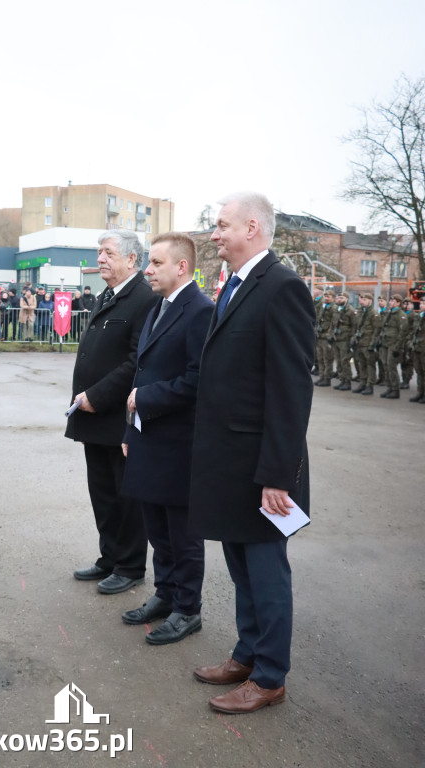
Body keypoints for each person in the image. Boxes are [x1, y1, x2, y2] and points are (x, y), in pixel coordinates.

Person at [188, 192, 315, 715]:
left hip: (263, 467)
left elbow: (290, 391)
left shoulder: (282, 287)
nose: (214, 234)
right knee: (241, 566)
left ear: (253, 227)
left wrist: (277, 476)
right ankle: (247, 653)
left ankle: (269, 677)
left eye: (221, 225)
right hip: (230, 461)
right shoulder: (236, 285)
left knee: (265, 571)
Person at [120, 233, 214, 645]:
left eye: (156, 263)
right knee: (157, 527)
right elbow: (143, 372)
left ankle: (187, 609)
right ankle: (166, 593)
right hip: (148, 436)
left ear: (182, 267)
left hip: (180, 443)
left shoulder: (200, 311)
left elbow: (199, 380)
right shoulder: (160, 306)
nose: (148, 270)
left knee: (182, 534)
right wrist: (130, 427)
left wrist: (146, 400)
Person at [65, 230, 157, 595]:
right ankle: (110, 557)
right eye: (99, 252)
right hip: (92, 414)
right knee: (102, 492)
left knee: (125, 494)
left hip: (117, 415)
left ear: (132, 259)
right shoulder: (107, 293)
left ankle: (130, 565)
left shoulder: (143, 299)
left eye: (108, 252)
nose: (100, 258)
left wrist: (97, 396)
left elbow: (138, 361)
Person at [379, 294, 406, 399]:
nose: (390, 303)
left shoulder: (401, 315)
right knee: (385, 366)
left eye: (393, 301)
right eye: (390, 301)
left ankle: (395, 390)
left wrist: (398, 347)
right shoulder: (389, 313)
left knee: (391, 367)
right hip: (385, 342)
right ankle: (389, 388)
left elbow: (403, 332)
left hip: (393, 344)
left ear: (398, 303)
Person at [351, 292, 377, 395]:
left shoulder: (373, 314)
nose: (362, 301)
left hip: (368, 343)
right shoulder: (360, 312)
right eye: (362, 299)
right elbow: (356, 326)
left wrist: (372, 344)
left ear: (370, 301)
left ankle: (369, 385)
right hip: (359, 342)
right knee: (361, 364)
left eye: (365, 300)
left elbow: (376, 330)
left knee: (370, 365)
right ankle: (362, 383)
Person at [331, 291, 356, 391]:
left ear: (346, 299)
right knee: (338, 361)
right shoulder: (337, 309)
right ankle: (342, 380)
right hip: (336, 338)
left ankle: (347, 381)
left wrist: (352, 340)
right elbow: (333, 323)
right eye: (338, 298)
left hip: (345, 339)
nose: (339, 299)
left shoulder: (350, 311)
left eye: (341, 298)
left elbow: (354, 326)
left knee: (344, 361)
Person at [315, 288, 336, 386]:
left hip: (326, 336)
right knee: (320, 358)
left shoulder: (333, 308)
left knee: (327, 359)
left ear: (333, 298)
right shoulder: (322, 306)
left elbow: (333, 323)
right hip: (320, 335)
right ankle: (321, 376)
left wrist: (330, 335)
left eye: (328, 297)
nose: (326, 298)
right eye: (325, 296)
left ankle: (327, 378)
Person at [409, 296, 425, 403]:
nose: (421, 305)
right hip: (417, 348)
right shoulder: (418, 316)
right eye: (421, 303)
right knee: (419, 371)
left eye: (423, 303)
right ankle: (420, 392)